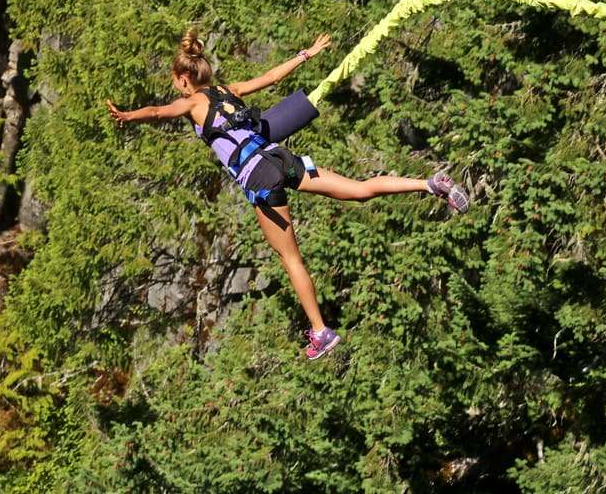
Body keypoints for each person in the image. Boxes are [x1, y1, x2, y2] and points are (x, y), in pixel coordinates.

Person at [106, 28, 469, 360]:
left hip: (259, 176)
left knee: (290, 258)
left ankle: (320, 331)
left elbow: (159, 111)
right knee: (359, 189)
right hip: (281, 158)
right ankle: (429, 184)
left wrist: (128, 116)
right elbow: (271, 78)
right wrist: (305, 54)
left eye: (176, 83)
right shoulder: (228, 91)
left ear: (183, 80)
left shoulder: (191, 103)